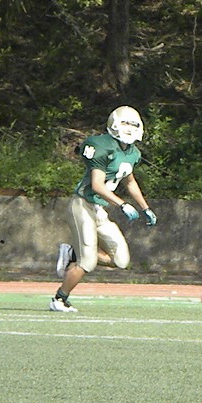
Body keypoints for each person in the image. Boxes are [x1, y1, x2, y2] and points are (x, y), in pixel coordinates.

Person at [49, 105, 157, 312]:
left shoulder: (132, 153)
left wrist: (146, 208)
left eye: (133, 124)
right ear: (114, 124)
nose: (129, 128)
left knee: (121, 260)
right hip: (82, 205)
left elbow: (130, 182)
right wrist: (122, 204)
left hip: (99, 210)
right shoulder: (101, 145)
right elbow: (97, 185)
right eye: (125, 123)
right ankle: (59, 299)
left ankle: (72, 253)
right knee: (87, 262)